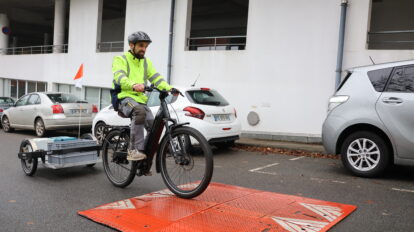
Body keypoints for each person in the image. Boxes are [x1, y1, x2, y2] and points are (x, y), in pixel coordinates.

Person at [112, 31, 177, 162]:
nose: (144, 49)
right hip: (124, 97)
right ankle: (133, 150)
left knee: (154, 127)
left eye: (146, 47)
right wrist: (133, 85)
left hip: (140, 100)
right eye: (141, 46)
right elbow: (119, 76)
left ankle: (144, 162)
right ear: (131, 45)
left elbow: (156, 78)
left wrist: (169, 88)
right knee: (139, 111)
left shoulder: (146, 63)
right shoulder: (120, 59)